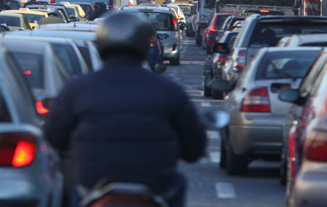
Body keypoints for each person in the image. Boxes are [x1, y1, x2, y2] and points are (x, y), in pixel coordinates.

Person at [43, 12, 207, 207]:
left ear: (102, 43)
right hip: (155, 182)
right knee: (178, 182)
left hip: (93, 181)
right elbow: (194, 148)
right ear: (144, 45)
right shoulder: (169, 90)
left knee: (69, 189)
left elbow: (54, 136)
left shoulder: (78, 88)